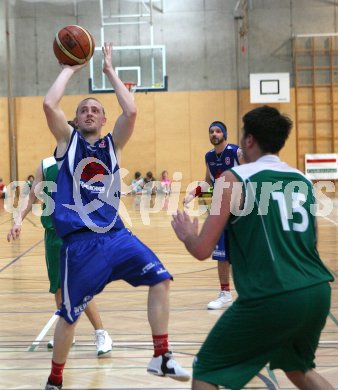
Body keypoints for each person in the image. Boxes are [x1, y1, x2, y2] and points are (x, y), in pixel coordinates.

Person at [42, 42, 190, 390]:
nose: (90, 113)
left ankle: (161, 356)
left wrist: (109, 72)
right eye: (84, 110)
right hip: (80, 245)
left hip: (117, 236)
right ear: (75, 120)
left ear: (104, 119)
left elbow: (133, 112)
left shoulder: (113, 146)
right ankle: (55, 380)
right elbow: (49, 104)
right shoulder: (68, 143)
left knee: (161, 279)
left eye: (96, 109)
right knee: (70, 316)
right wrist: (71, 68)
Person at [172, 105, 334, 390]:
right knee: (299, 369)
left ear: (248, 140)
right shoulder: (304, 181)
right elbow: (309, 244)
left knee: (207, 369)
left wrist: (187, 234)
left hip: (273, 294)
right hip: (317, 291)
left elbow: (201, 250)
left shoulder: (233, 179)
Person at [7, 156, 113, 356]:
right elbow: (31, 196)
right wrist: (18, 221)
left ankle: (101, 333)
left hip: (77, 234)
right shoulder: (46, 165)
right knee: (58, 286)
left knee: (80, 286)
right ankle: (68, 333)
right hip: (53, 236)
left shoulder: (84, 162)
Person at [184, 121, 241, 310]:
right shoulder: (209, 156)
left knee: (244, 250)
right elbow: (208, 182)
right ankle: (225, 294)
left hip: (242, 208)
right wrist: (193, 193)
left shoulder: (236, 152)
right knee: (221, 253)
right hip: (221, 209)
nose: (214, 134)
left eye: (218, 131)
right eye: (211, 131)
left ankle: (251, 291)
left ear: (225, 134)